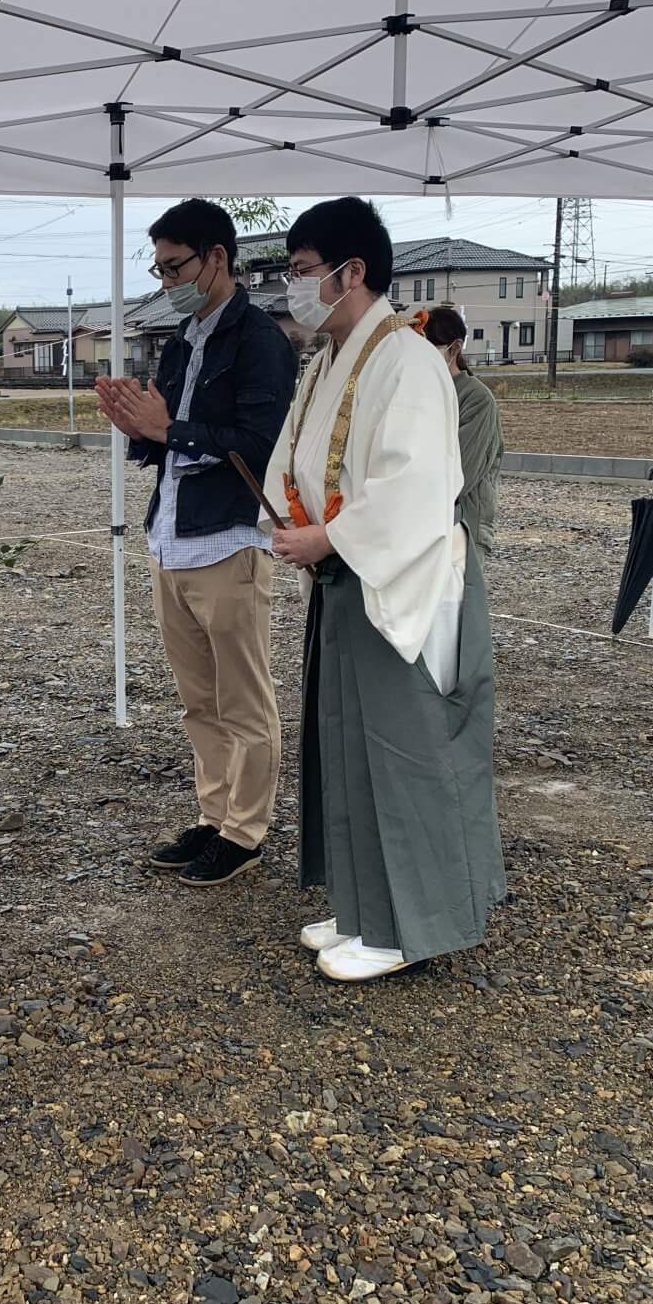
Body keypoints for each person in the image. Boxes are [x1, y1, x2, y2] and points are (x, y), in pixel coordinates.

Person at [265, 198, 504, 981]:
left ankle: (409, 927)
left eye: (303, 272)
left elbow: (416, 486)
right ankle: (364, 905)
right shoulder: (329, 359)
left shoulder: (406, 361)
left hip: (402, 576)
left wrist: (327, 535)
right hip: (347, 574)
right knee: (344, 744)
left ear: (352, 272)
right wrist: (294, 523)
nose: (294, 287)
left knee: (404, 750)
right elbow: (297, 460)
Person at [94, 198, 298, 888]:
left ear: (218, 258)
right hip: (171, 538)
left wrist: (170, 429)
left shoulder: (261, 343)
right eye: (158, 269)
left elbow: (260, 446)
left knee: (244, 700)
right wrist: (136, 423)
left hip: (230, 542)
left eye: (175, 265)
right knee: (197, 700)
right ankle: (214, 817)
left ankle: (246, 831)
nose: (167, 282)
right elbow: (166, 438)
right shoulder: (183, 339)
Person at [420, 304, 504, 554]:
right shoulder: (417, 392)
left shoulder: (476, 398)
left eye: (426, 348)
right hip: (420, 522)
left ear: (454, 348)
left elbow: (459, 473)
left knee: (458, 593)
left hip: (461, 525)